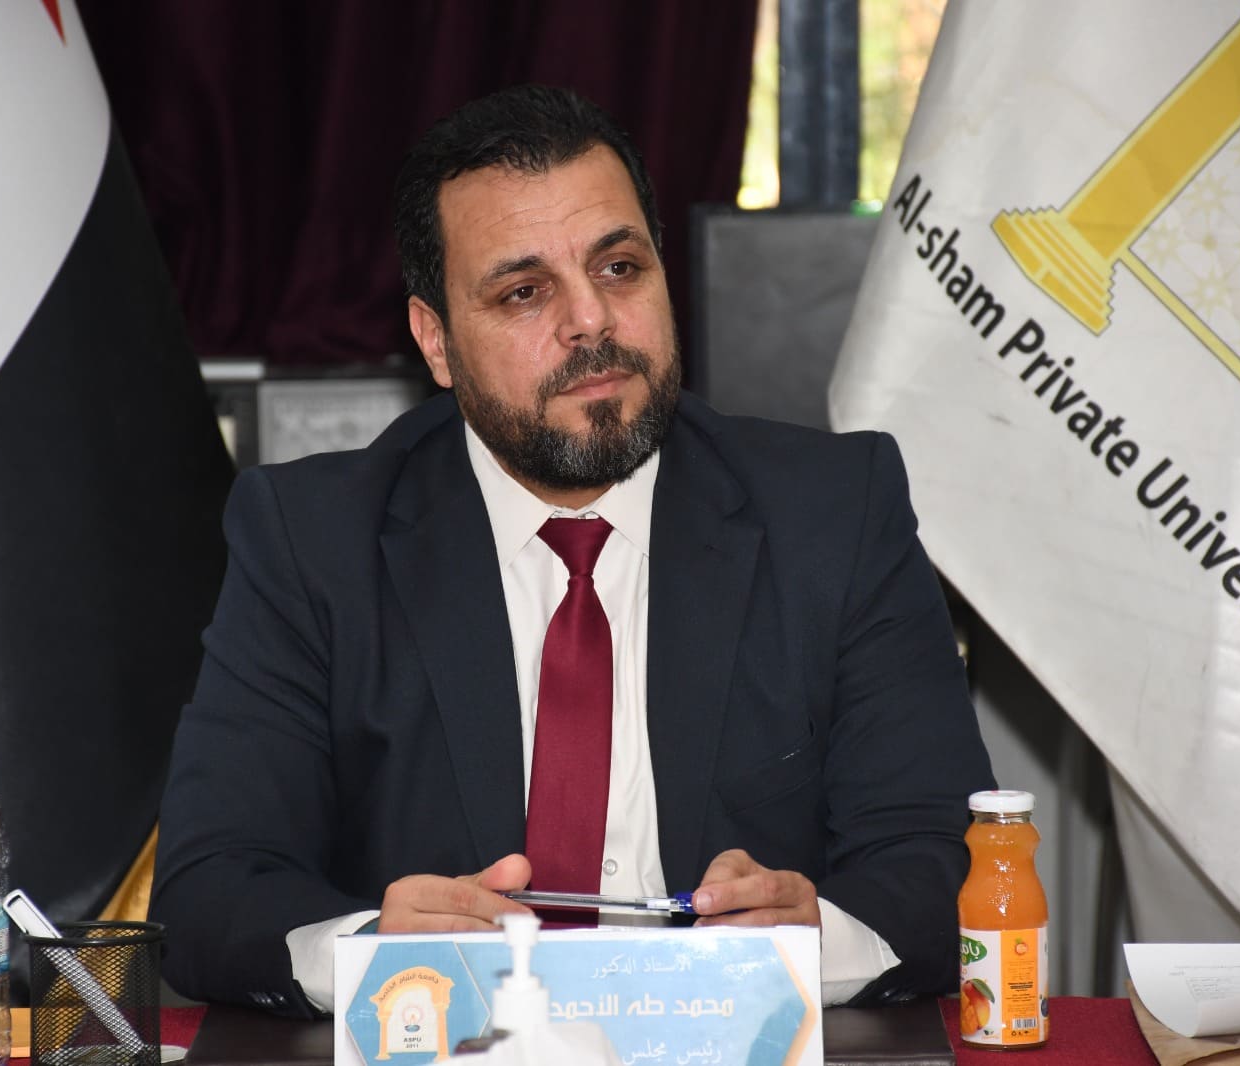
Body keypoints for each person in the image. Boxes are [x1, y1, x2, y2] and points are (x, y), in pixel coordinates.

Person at [150, 84, 994, 1017]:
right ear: (436, 341)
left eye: (620, 267)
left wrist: (812, 937)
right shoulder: (313, 540)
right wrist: (373, 951)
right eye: (524, 292)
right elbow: (210, 890)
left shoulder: (833, 512)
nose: (591, 319)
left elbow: (947, 857)